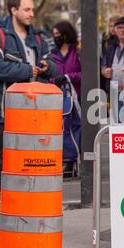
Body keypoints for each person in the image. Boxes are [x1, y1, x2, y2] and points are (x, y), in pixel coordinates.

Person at [0, 0, 57, 216]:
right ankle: (0, 197)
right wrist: (27, 70)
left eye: (32, 10)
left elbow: (54, 65)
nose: (31, 14)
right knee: (5, 154)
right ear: (13, 10)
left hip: (36, 108)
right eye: (26, 9)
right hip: (8, 110)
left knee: (32, 154)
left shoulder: (38, 38)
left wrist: (48, 66)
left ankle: (28, 195)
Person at [50, 21, 82, 180]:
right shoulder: (51, 54)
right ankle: (65, 160)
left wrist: (68, 77)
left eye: (58, 34)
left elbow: (86, 72)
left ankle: (72, 160)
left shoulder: (78, 52)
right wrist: (53, 80)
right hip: (57, 97)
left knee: (76, 127)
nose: (56, 37)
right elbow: (46, 73)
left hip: (76, 97)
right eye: (54, 35)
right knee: (61, 128)